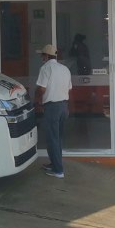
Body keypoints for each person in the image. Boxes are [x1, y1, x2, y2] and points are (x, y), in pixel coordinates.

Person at [34, 43, 72, 178]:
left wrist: (36, 100)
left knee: (52, 139)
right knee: (58, 138)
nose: (41, 58)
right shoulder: (64, 69)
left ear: (46, 56)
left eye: (42, 55)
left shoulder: (46, 68)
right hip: (63, 107)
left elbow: (41, 89)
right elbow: (68, 89)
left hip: (52, 107)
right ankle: (54, 163)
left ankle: (58, 170)